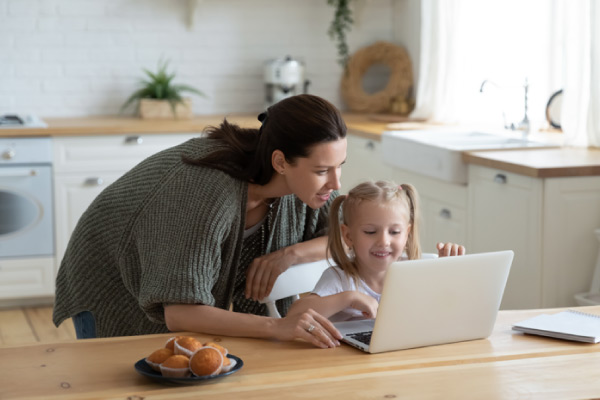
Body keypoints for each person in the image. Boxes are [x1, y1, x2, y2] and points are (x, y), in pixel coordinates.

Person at [53, 94, 347, 349]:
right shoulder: (204, 192)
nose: (335, 182)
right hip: (109, 277)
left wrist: (289, 255)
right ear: (280, 162)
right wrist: (279, 327)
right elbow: (181, 313)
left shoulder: (306, 189)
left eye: (339, 167)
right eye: (322, 171)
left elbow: (348, 234)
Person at [287, 180, 465, 322]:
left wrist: (448, 273)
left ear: (407, 235)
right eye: (370, 232)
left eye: (395, 232)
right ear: (348, 236)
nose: (384, 241)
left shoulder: (416, 272)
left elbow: (449, 312)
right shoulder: (340, 279)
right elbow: (294, 315)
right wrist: (348, 298)